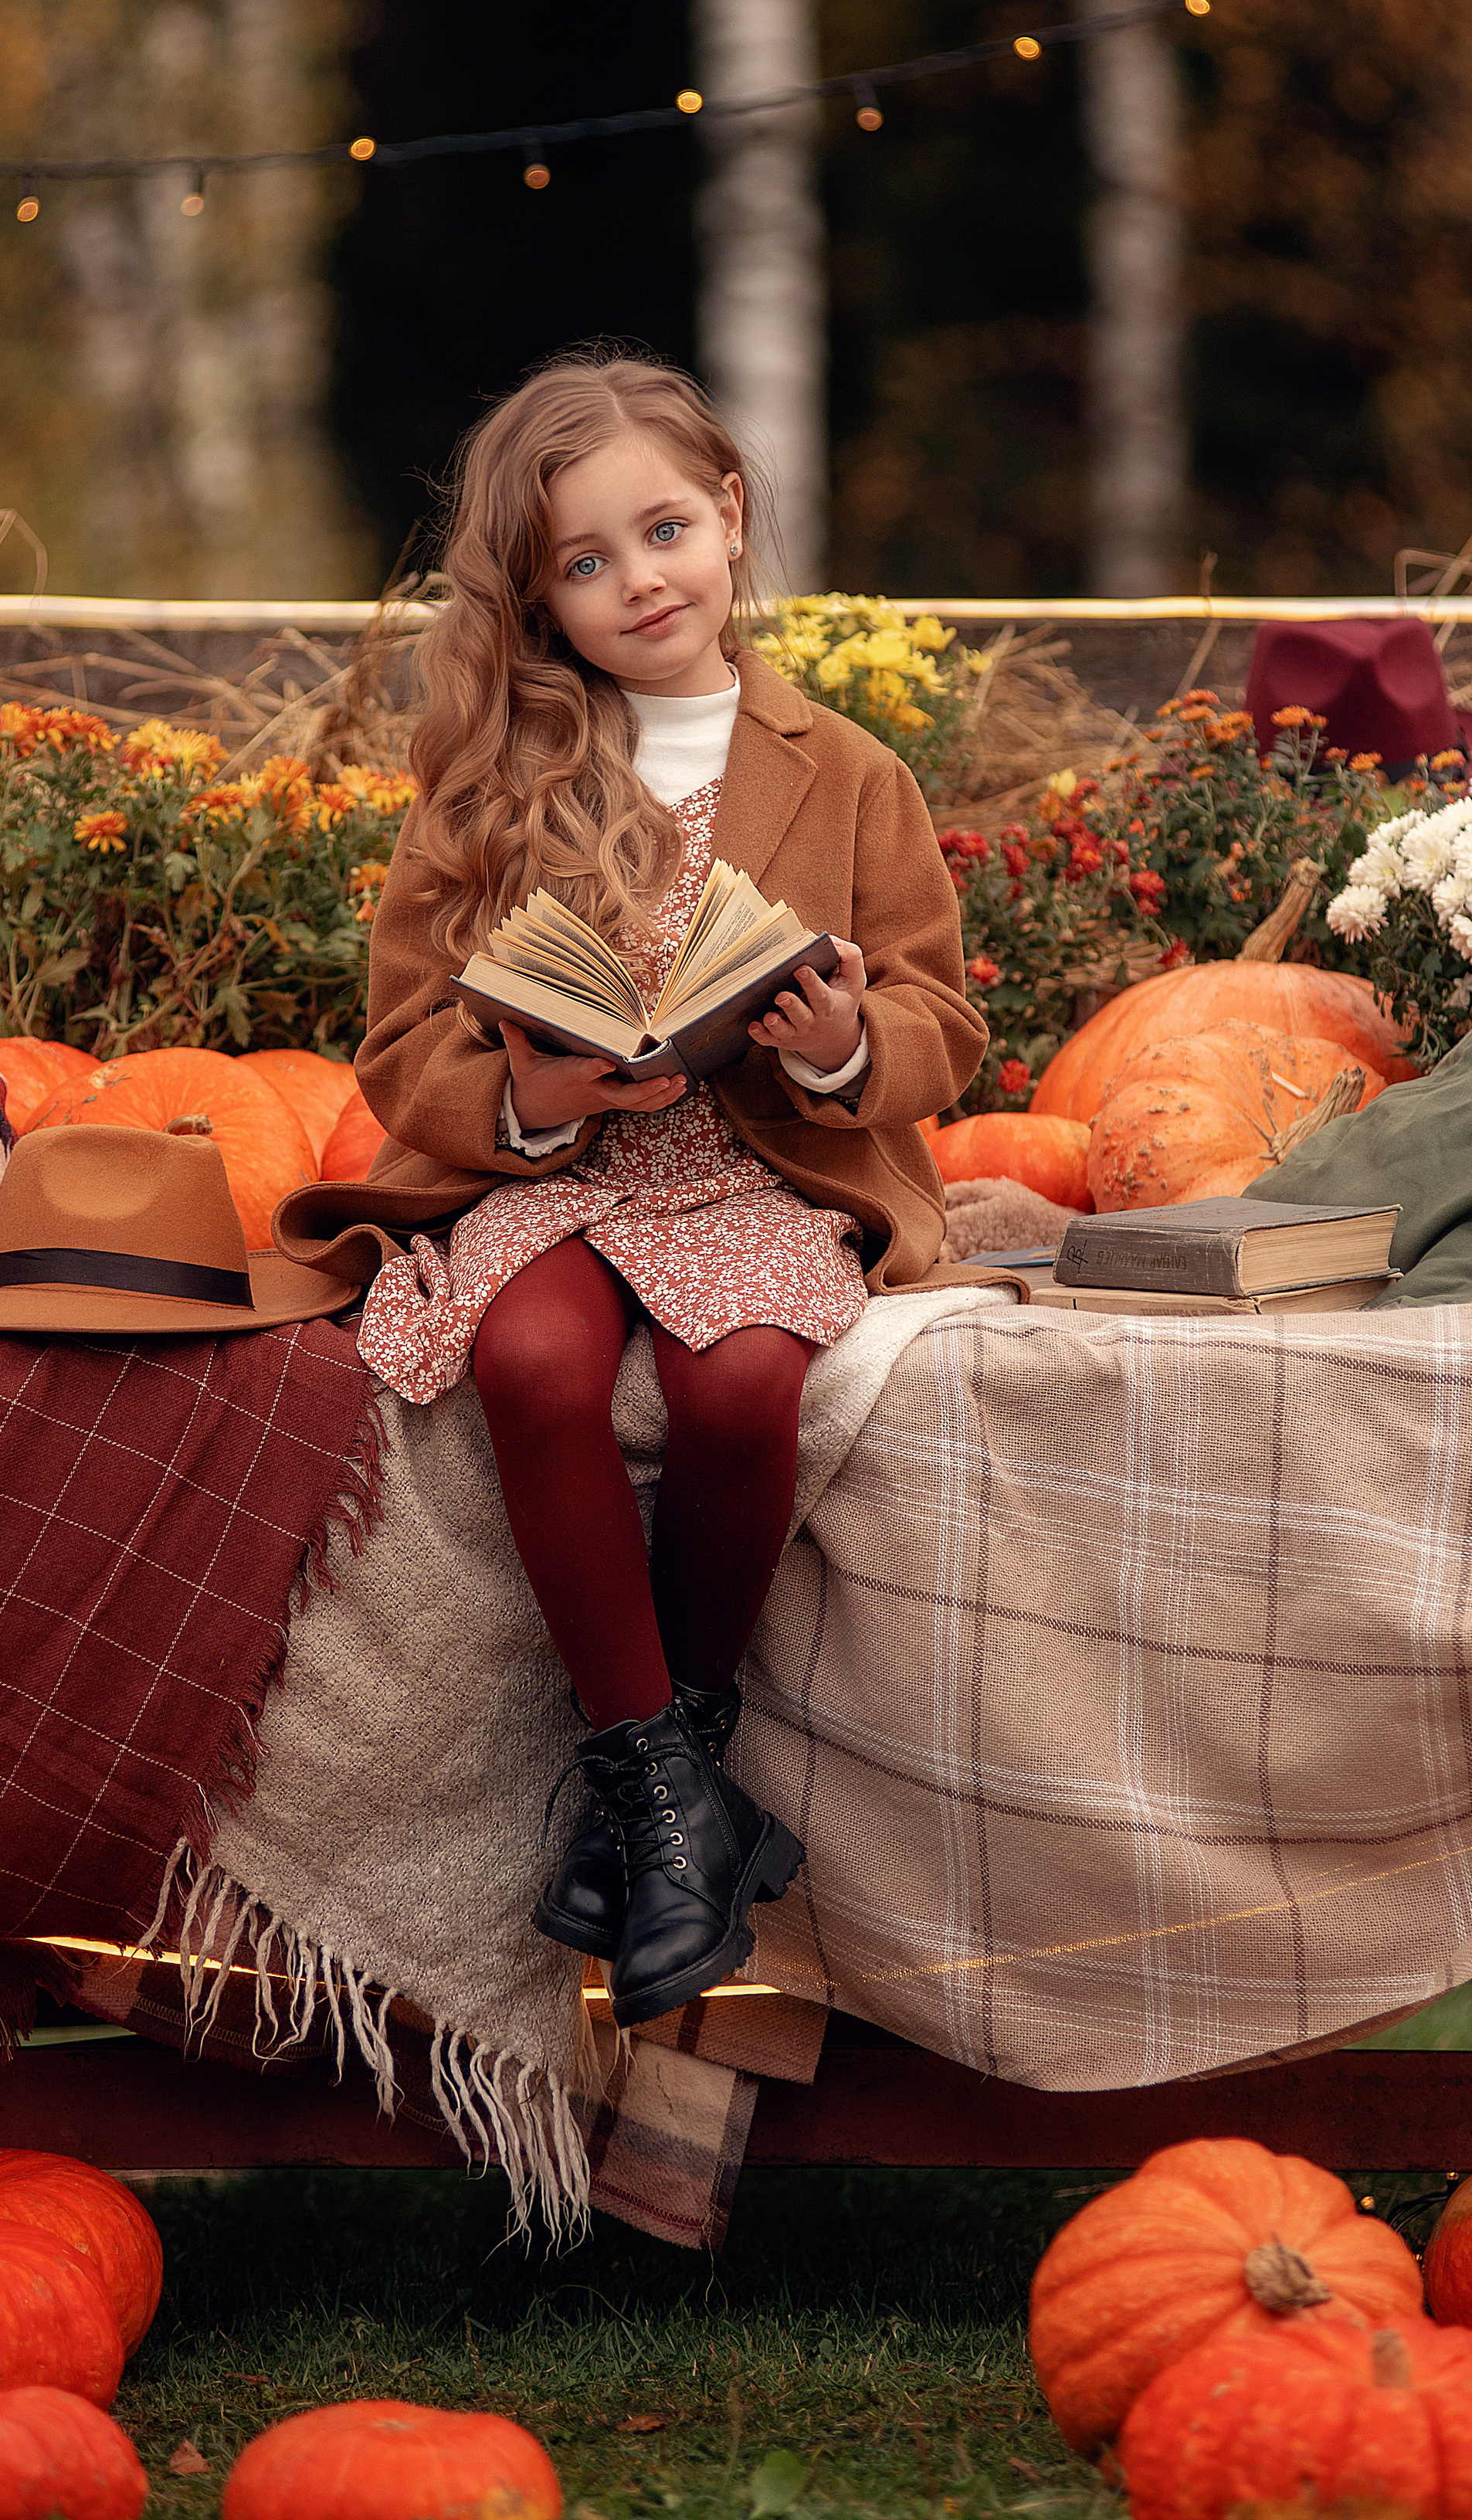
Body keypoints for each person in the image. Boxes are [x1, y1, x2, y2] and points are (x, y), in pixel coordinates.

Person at [344, 348, 985, 2026]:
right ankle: (675, 1805)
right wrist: (527, 1093)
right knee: (530, 1360)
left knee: (747, 1379)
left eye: (665, 531)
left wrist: (844, 1043)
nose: (639, 580)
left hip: (761, 1165)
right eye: (584, 561)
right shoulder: (493, 777)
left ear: (733, 517)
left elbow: (940, 1017)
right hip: (562, 1169)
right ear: (536, 599)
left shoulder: (847, 769)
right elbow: (399, 1041)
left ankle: (646, 1800)